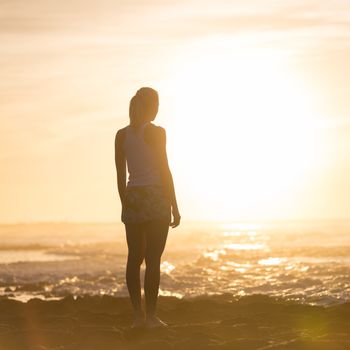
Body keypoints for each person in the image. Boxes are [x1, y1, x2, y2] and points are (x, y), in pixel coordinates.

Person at [114, 87, 181, 328]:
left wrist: (125, 205)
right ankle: (151, 317)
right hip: (155, 197)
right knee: (153, 260)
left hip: (133, 197)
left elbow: (120, 176)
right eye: (157, 104)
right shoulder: (157, 132)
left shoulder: (121, 135)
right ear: (152, 106)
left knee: (134, 258)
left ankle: (137, 318)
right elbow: (164, 169)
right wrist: (174, 204)